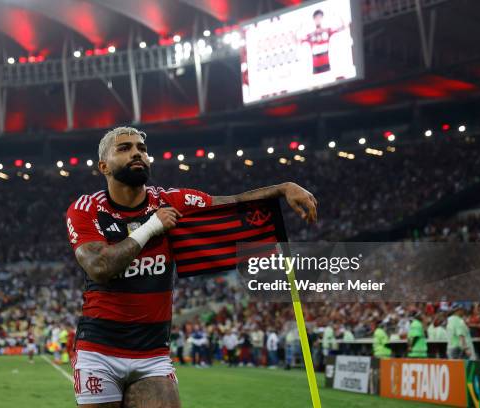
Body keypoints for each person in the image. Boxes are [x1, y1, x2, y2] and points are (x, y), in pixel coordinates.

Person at [66, 126, 317, 407]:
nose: (137, 153)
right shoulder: (86, 208)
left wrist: (282, 188)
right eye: (124, 148)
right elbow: (99, 267)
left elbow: (232, 205)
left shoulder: (173, 201)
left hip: (152, 355)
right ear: (104, 166)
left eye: (142, 148)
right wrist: (151, 227)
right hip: (99, 351)